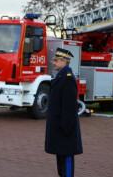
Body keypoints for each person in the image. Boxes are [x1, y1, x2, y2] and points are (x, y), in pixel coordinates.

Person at [45, 47, 83, 177]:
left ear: (64, 62)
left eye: (56, 60)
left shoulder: (67, 78)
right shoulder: (61, 77)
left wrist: (66, 128)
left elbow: (69, 107)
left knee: (65, 163)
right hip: (60, 129)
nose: (53, 62)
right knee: (60, 162)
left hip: (65, 130)